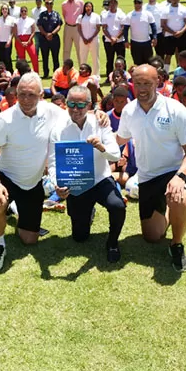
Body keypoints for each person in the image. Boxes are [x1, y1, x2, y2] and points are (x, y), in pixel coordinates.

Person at [116, 64, 186, 272]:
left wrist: (180, 176)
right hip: (147, 177)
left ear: (158, 82)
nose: (142, 88)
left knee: (179, 196)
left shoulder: (175, 109)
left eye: (147, 83)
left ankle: (177, 244)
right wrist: (97, 123)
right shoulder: (129, 110)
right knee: (152, 237)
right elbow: (119, 139)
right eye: (137, 83)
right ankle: (172, 206)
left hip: (174, 170)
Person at [0, 73, 69, 272]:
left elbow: (76, 115)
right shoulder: (5, 118)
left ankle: (15, 209)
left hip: (32, 183)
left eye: (31, 95)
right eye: (22, 94)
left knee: (29, 240)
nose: (26, 100)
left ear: (41, 95)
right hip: (6, 178)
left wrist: (98, 115)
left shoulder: (52, 111)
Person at [51, 85, 126, 262]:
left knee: (117, 206)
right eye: (71, 104)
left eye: (81, 105)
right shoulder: (58, 129)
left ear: (89, 105)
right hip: (77, 184)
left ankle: (113, 242)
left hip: (100, 179)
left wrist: (101, 147)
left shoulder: (101, 122)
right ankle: (87, 213)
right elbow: (53, 162)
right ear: (66, 104)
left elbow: (115, 154)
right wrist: (56, 184)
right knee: (79, 237)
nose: (76, 109)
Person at [158, 0, 186, 67]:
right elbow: (163, 24)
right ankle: (166, 73)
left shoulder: (184, 8)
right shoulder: (165, 9)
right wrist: (173, 33)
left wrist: (181, 32)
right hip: (169, 36)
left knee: (182, 56)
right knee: (168, 55)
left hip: (182, 35)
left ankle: (181, 72)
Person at [37, 0, 63, 79]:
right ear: (45, 4)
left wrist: (51, 33)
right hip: (43, 39)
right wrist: (46, 34)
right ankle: (45, 73)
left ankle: (56, 73)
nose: (49, 5)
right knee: (45, 57)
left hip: (54, 38)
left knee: (55, 57)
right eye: (47, 3)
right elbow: (39, 26)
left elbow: (59, 25)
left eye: (51, 3)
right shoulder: (42, 14)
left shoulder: (56, 14)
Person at [127, 0, 158, 66]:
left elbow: (153, 26)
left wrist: (155, 37)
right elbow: (126, 29)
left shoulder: (148, 14)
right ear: (134, 4)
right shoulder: (130, 15)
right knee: (137, 63)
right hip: (135, 43)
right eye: (136, 3)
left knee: (149, 62)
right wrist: (126, 41)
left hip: (146, 42)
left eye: (139, 3)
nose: (138, 5)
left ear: (142, 4)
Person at [61, 0, 85, 66]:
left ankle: (82, 67)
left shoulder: (80, 2)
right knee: (66, 49)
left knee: (79, 49)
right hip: (68, 27)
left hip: (77, 27)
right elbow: (64, 15)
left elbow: (83, 14)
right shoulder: (64, 4)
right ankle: (66, 67)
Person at [77, 1, 101, 73]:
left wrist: (91, 38)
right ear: (84, 8)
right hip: (83, 40)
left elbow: (98, 28)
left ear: (92, 7)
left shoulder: (96, 16)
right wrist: (84, 38)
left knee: (95, 58)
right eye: (87, 6)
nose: (88, 8)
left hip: (94, 39)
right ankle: (83, 73)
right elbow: (79, 28)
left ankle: (96, 74)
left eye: (90, 6)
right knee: (83, 57)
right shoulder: (80, 17)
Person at [0, 2, 16, 71]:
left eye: (6, 9)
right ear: (1, 10)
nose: (4, 10)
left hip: (7, 41)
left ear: (8, 10)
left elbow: (12, 31)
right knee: (1, 58)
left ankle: (10, 72)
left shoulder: (12, 19)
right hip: (0, 41)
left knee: (7, 58)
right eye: (3, 9)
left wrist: (9, 40)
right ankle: (2, 72)